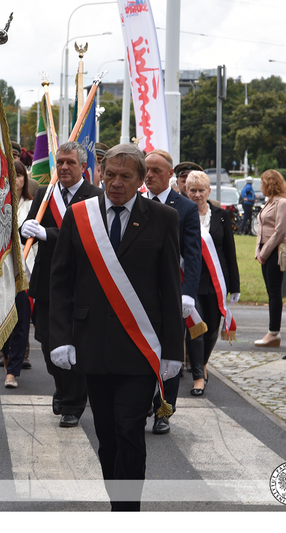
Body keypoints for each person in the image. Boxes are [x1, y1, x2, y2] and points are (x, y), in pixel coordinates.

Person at [49, 143, 183, 511]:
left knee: (129, 429)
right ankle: (117, 503)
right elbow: (60, 282)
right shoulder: (80, 216)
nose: (116, 183)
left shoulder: (162, 218)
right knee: (107, 436)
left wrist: (173, 351)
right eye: (109, 175)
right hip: (92, 345)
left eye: (125, 176)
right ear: (100, 174)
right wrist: (61, 338)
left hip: (140, 346)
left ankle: (128, 511)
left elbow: (170, 288)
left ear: (141, 180)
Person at [20, 141, 102, 428]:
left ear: (84, 167)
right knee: (46, 341)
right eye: (60, 163)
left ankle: (72, 403)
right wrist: (25, 229)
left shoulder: (96, 197)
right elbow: (30, 230)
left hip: (80, 285)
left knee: (75, 343)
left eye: (70, 163)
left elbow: (91, 238)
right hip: (47, 283)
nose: (64, 167)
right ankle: (62, 385)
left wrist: (49, 234)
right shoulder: (45, 193)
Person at [144, 149, 202, 435]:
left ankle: (163, 410)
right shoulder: (134, 202)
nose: (149, 175)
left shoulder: (186, 208)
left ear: (170, 174)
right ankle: (140, 402)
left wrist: (187, 293)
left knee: (169, 352)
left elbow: (192, 254)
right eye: (146, 169)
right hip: (139, 293)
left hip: (172, 294)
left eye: (156, 170)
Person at [184, 171, 240, 395]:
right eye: (193, 190)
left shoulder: (222, 215)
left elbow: (229, 251)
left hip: (216, 281)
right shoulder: (180, 214)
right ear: (186, 191)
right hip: (190, 281)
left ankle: (203, 363)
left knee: (212, 329)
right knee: (195, 327)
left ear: (209, 191)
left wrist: (234, 285)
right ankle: (198, 376)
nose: (197, 194)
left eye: (201, 190)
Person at [0, 160, 36, 389]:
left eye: (20, 174)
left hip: (24, 270)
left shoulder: (33, 205)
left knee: (21, 322)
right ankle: (6, 356)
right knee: (4, 320)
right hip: (2, 271)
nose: (16, 179)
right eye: (11, 174)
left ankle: (13, 371)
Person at [254, 169, 286, 347]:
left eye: (262, 183)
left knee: (275, 293)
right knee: (271, 292)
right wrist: (258, 251)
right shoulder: (269, 202)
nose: (260, 186)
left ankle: (273, 332)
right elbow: (261, 229)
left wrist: (264, 252)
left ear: (270, 184)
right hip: (266, 252)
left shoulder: (282, 203)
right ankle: (273, 331)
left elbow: (279, 232)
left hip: (275, 252)